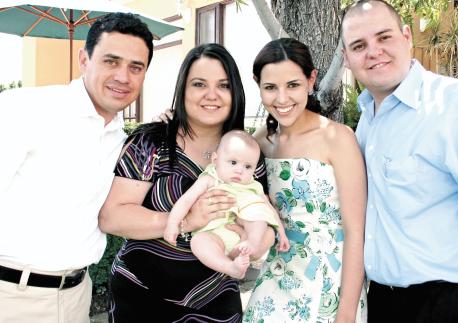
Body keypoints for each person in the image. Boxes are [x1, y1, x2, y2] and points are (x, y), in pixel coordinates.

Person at [98, 43, 275, 322]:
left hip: (215, 300)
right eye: (199, 84)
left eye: (223, 85)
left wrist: (251, 244)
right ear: (183, 89)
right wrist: (187, 220)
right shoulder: (151, 142)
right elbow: (111, 217)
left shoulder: (248, 156)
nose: (211, 95)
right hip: (140, 296)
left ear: (236, 92)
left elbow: (264, 223)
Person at [0, 13, 153, 323]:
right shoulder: (24, 109)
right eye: (111, 61)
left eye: (135, 67)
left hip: (77, 296)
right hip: (12, 296)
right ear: (84, 59)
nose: (123, 77)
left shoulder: (122, 140)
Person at [341, 1, 458, 322]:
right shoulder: (366, 119)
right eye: (359, 45)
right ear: (346, 58)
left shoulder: (457, 106)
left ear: (407, 36)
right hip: (384, 300)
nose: (374, 52)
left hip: (448, 301)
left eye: (384, 37)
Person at [243, 38, 368, 323]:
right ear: (257, 84)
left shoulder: (338, 138)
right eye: (270, 87)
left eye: (293, 85)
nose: (282, 99)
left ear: (311, 80)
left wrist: (346, 313)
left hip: (327, 283)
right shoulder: (261, 141)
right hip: (276, 278)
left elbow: (356, 231)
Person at [164, 130, 290, 279]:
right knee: (199, 242)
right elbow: (186, 200)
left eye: (248, 167)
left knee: (259, 212)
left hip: (247, 236)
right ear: (215, 160)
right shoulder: (209, 179)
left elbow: (269, 210)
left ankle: (252, 244)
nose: (239, 170)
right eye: (233, 162)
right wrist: (172, 224)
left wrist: (282, 233)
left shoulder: (253, 186)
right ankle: (230, 267)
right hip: (215, 234)